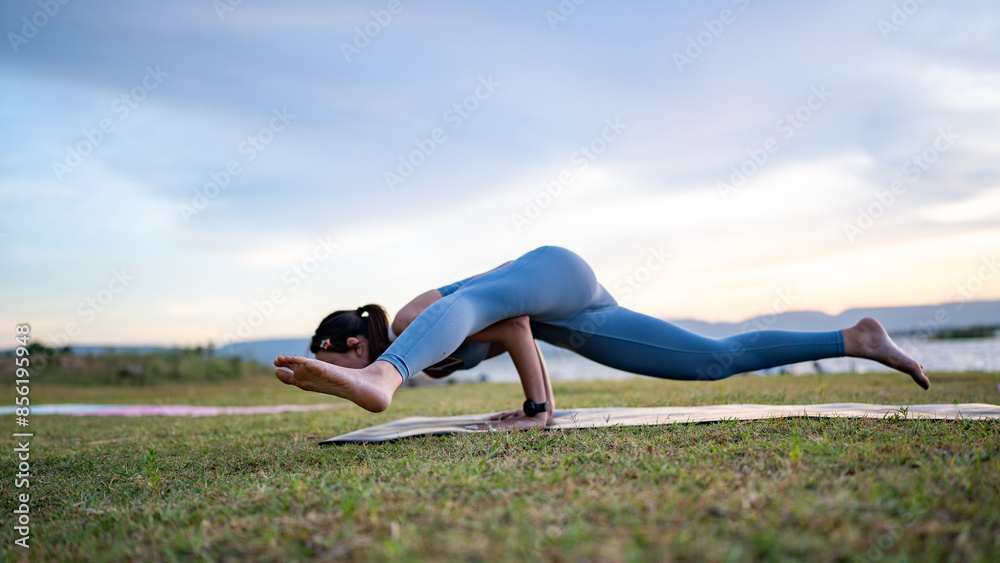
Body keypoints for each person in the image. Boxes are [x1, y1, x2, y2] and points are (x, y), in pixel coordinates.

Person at [274, 246, 929, 430]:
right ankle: (855, 338)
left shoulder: (417, 325)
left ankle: (379, 385)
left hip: (549, 272)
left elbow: (510, 316)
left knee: (471, 302)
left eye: (333, 363)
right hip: (573, 305)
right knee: (709, 359)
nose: (329, 373)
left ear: (349, 345)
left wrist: (538, 409)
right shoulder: (432, 352)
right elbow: (515, 331)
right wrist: (542, 405)